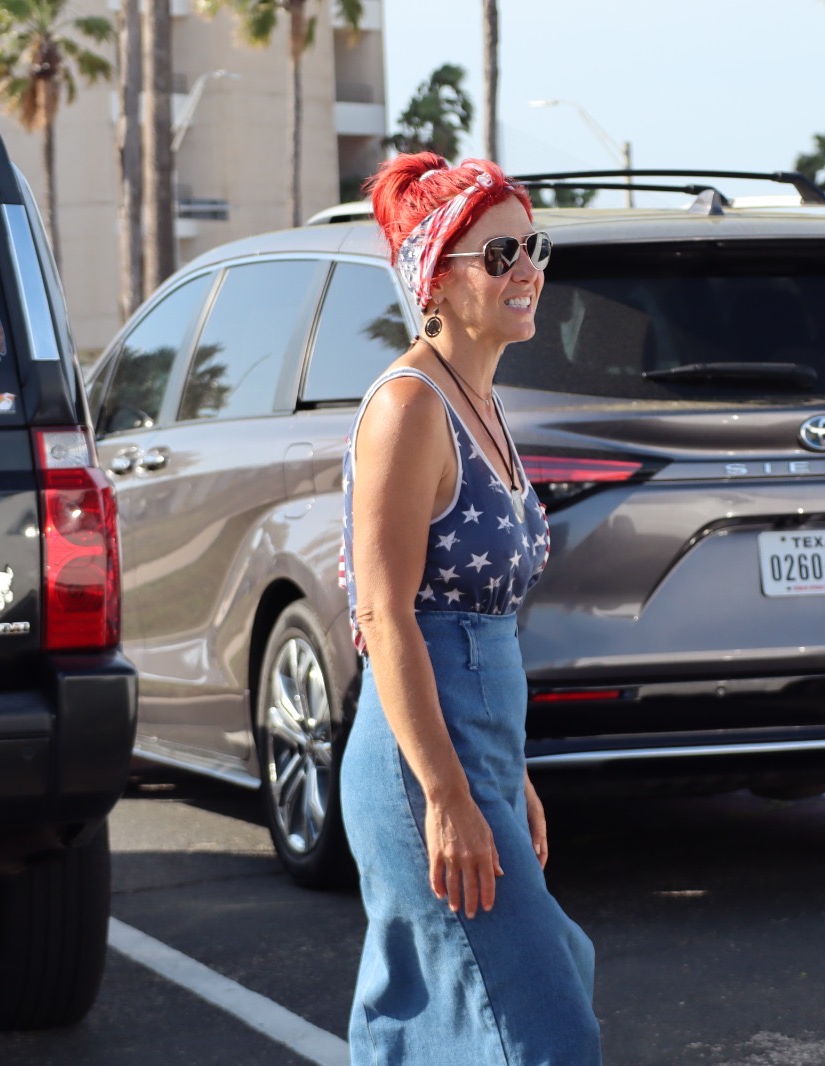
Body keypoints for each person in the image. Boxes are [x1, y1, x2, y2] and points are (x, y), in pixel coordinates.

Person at [338, 153, 600, 1065]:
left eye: (533, 247)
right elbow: (384, 614)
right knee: (539, 1029)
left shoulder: (480, 399)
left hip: (476, 747)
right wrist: (447, 793)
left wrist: (507, 774)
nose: (527, 270)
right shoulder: (410, 406)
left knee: (460, 1020)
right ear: (437, 280)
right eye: (498, 255)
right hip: (420, 762)